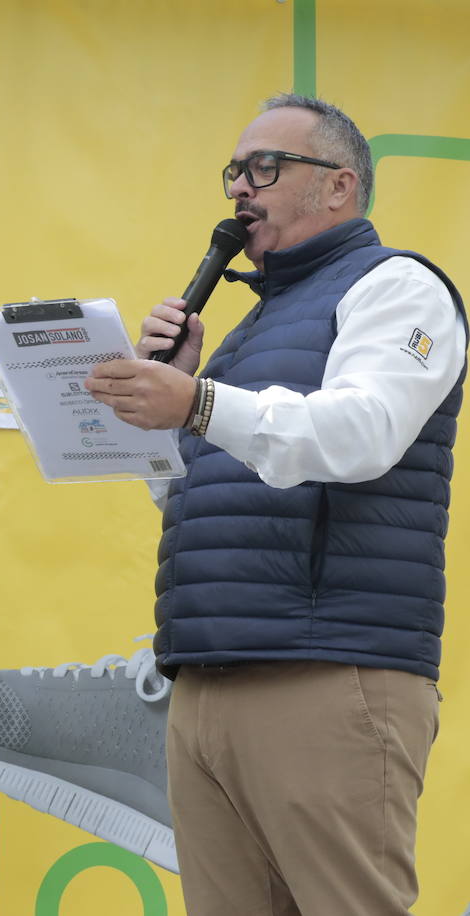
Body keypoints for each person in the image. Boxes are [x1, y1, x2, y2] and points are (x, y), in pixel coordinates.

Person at [84, 94, 466, 913]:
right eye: (233, 171)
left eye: (265, 168)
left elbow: (362, 434)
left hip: (328, 672)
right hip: (209, 678)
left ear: (339, 186)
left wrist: (196, 402)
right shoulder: (245, 328)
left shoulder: (397, 289)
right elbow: (203, 496)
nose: (239, 190)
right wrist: (163, 419)